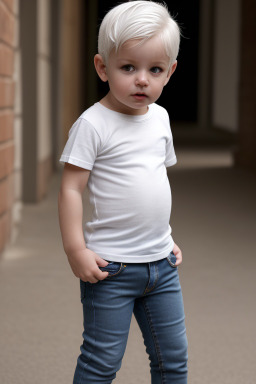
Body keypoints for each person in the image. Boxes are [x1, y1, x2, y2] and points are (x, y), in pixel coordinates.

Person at [58, 1, 188, 383]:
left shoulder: (161, 118)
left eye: (155, 69)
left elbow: (152, 184)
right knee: (101, 363)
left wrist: (167, 236)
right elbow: (70, 187)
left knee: (173, 360)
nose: (142, 79)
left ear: (170, 72)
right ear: (102, 67)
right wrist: (75, 248)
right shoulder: (93, 124)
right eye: (128, 67)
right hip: (110, 269)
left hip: (162, 265)